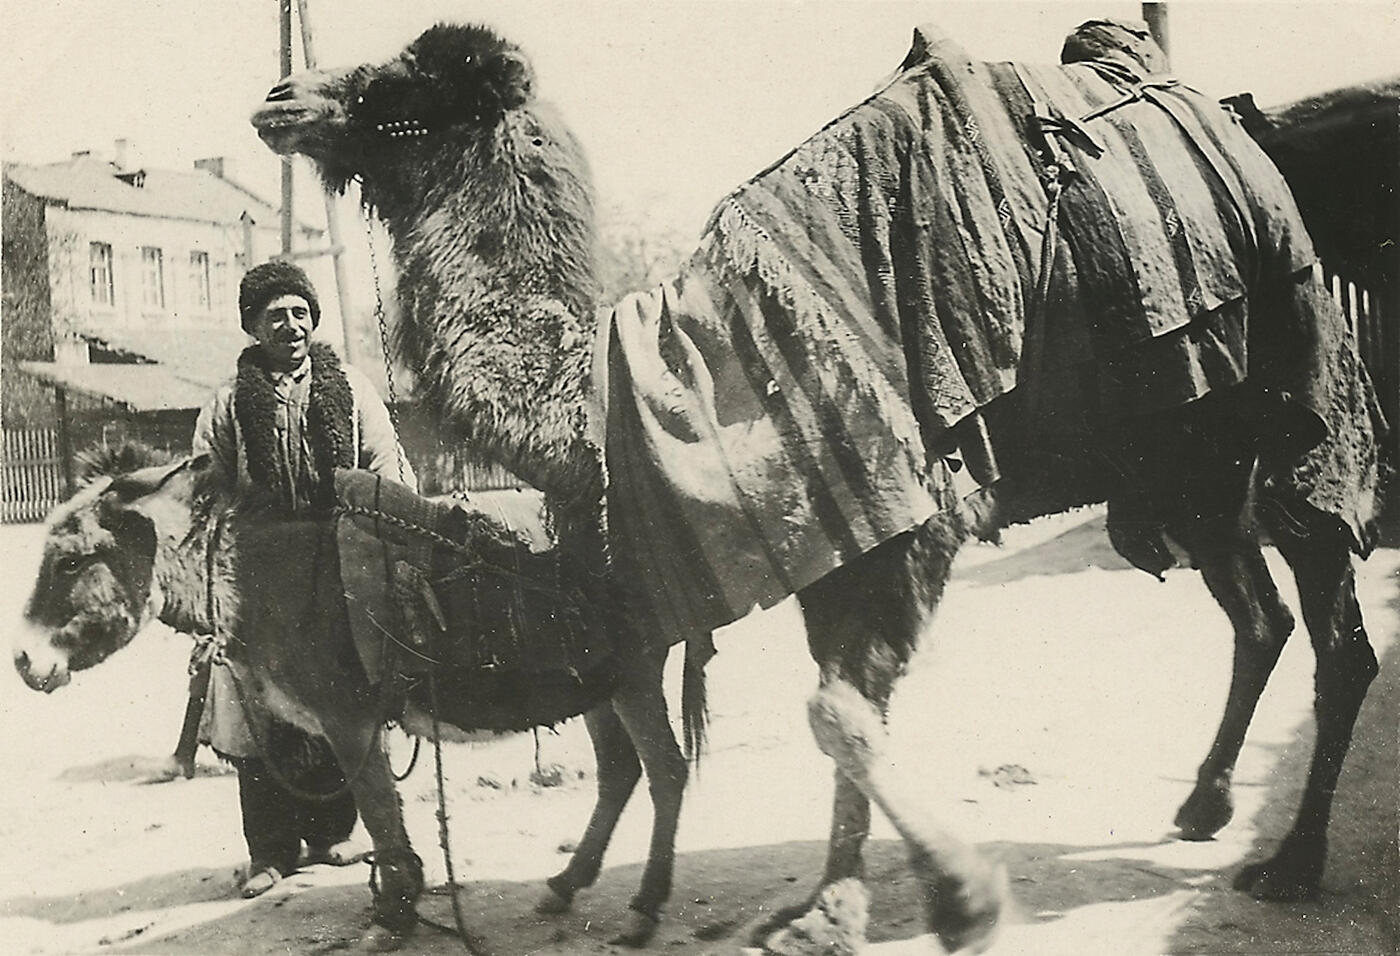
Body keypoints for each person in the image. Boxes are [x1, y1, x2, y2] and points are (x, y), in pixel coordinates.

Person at [192, 260, 416, 898]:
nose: (289, 325)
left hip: (340, 567)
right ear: (252, 326)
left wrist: (393, 540)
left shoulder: (350, 387)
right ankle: (269, 851)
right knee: (260, 713)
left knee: (341, 700)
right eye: (274, 315)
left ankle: (330, 834)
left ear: (313, 320)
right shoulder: (229, 402)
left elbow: (386, 465)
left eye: (299, 312)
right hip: (261, 578)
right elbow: (206, 492)